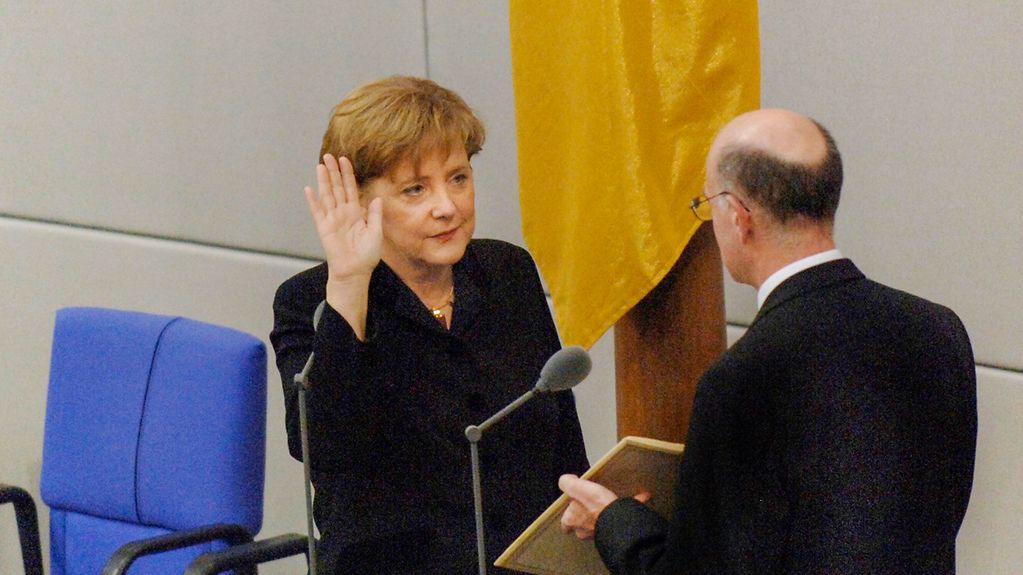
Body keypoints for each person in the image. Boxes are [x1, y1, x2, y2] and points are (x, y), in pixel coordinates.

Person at [558, 109, 977, 574]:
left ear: (739, 217)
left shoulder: (744, 376)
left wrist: (614, 521)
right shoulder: (939, 330)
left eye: (706, 204)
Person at [270, 76, 589, 574]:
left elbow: (559, 435)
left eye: (458, 178)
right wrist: (349, 285)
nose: (448, 207)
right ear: (357, 200)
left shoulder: (507, 272)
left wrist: (583, 516)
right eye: (415, 189)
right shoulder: (309, 300)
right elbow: (322, 446)